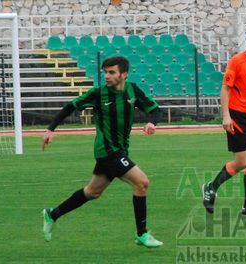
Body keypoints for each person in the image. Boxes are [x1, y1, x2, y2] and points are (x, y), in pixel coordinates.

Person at [41, 56, 163, 247]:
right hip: (107, 150)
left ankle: (52, 214)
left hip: (120, 149)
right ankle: (142, 234)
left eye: (112, 72)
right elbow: (70, 107)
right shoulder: (98, 94)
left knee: (92, 192)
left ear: (124, 74)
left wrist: (152, 122)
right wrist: (51, 129)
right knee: (142, 183)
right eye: (105, 72)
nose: (107, 76)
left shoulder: (133, 90)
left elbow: (156, 110)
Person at [201, 24, 246, 216]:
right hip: (236, 115)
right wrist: (225, 115)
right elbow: (225, 89)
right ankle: (211, 187)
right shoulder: (237, 61)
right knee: (242, 161)